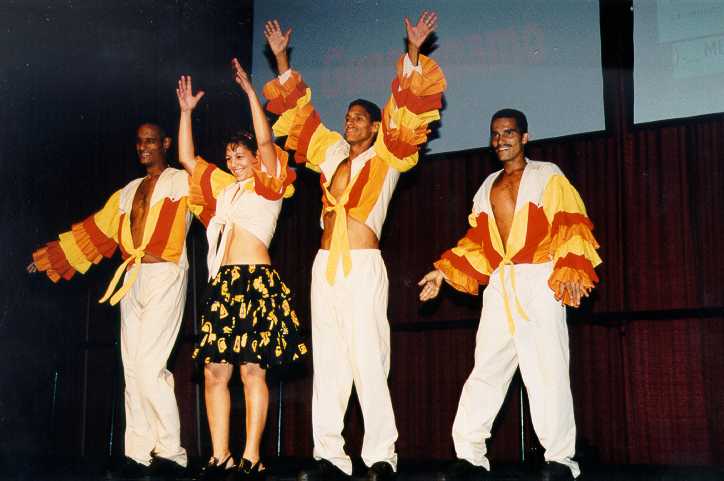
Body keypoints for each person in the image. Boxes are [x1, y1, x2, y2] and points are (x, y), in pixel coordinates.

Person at [261, 12, 446, 481]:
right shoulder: (330, 152)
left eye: (359, 118)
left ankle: (381, 455)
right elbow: (299, 117)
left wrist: (413, 53)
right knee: (328, 361)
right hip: (325, 267)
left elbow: (405, 113)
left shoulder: (390, 155)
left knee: (368, 357)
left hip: (362, 266)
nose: (350, 122)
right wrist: (281, 57)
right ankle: (330, 457)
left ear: (374, 126)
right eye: (348, 117)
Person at [418, 109, 602, 481]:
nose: (501, 139)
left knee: (546, 370)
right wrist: (442, 271)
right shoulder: (487, 187)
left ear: (525, 137)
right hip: (501, 283)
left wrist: (571, 268)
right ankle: (469, 455)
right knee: (486, 369)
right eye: (495, 134)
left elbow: (570, 219)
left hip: (540, 277)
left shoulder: (546, 175)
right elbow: (477, 242)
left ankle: (560, 459)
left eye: (509, 132)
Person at [28, 123, 194, 477]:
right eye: (138, 142)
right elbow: (95, 232)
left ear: (165, 143)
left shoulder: (182, 180)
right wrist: (52, 258)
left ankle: (172, 452)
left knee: (150, 366)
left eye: (150, 141)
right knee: (132, 368)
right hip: (132, 278)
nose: (143, 147)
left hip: (165, 273)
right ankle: (137, 453)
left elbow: (215, 191)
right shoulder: (127, 192)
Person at [175, 58, 307, 479]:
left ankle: (251, 456)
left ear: (256, 158)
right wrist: (185, 113)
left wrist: (252, 92)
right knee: (215, 372)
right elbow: (187, 159)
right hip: (224, 286)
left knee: (253, 371)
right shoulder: (226, 194)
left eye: (241, 155)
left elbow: (267, 143)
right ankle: (220, 455)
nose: (234, 161)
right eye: (230, 156)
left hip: (255, 283)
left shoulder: (270, 185)